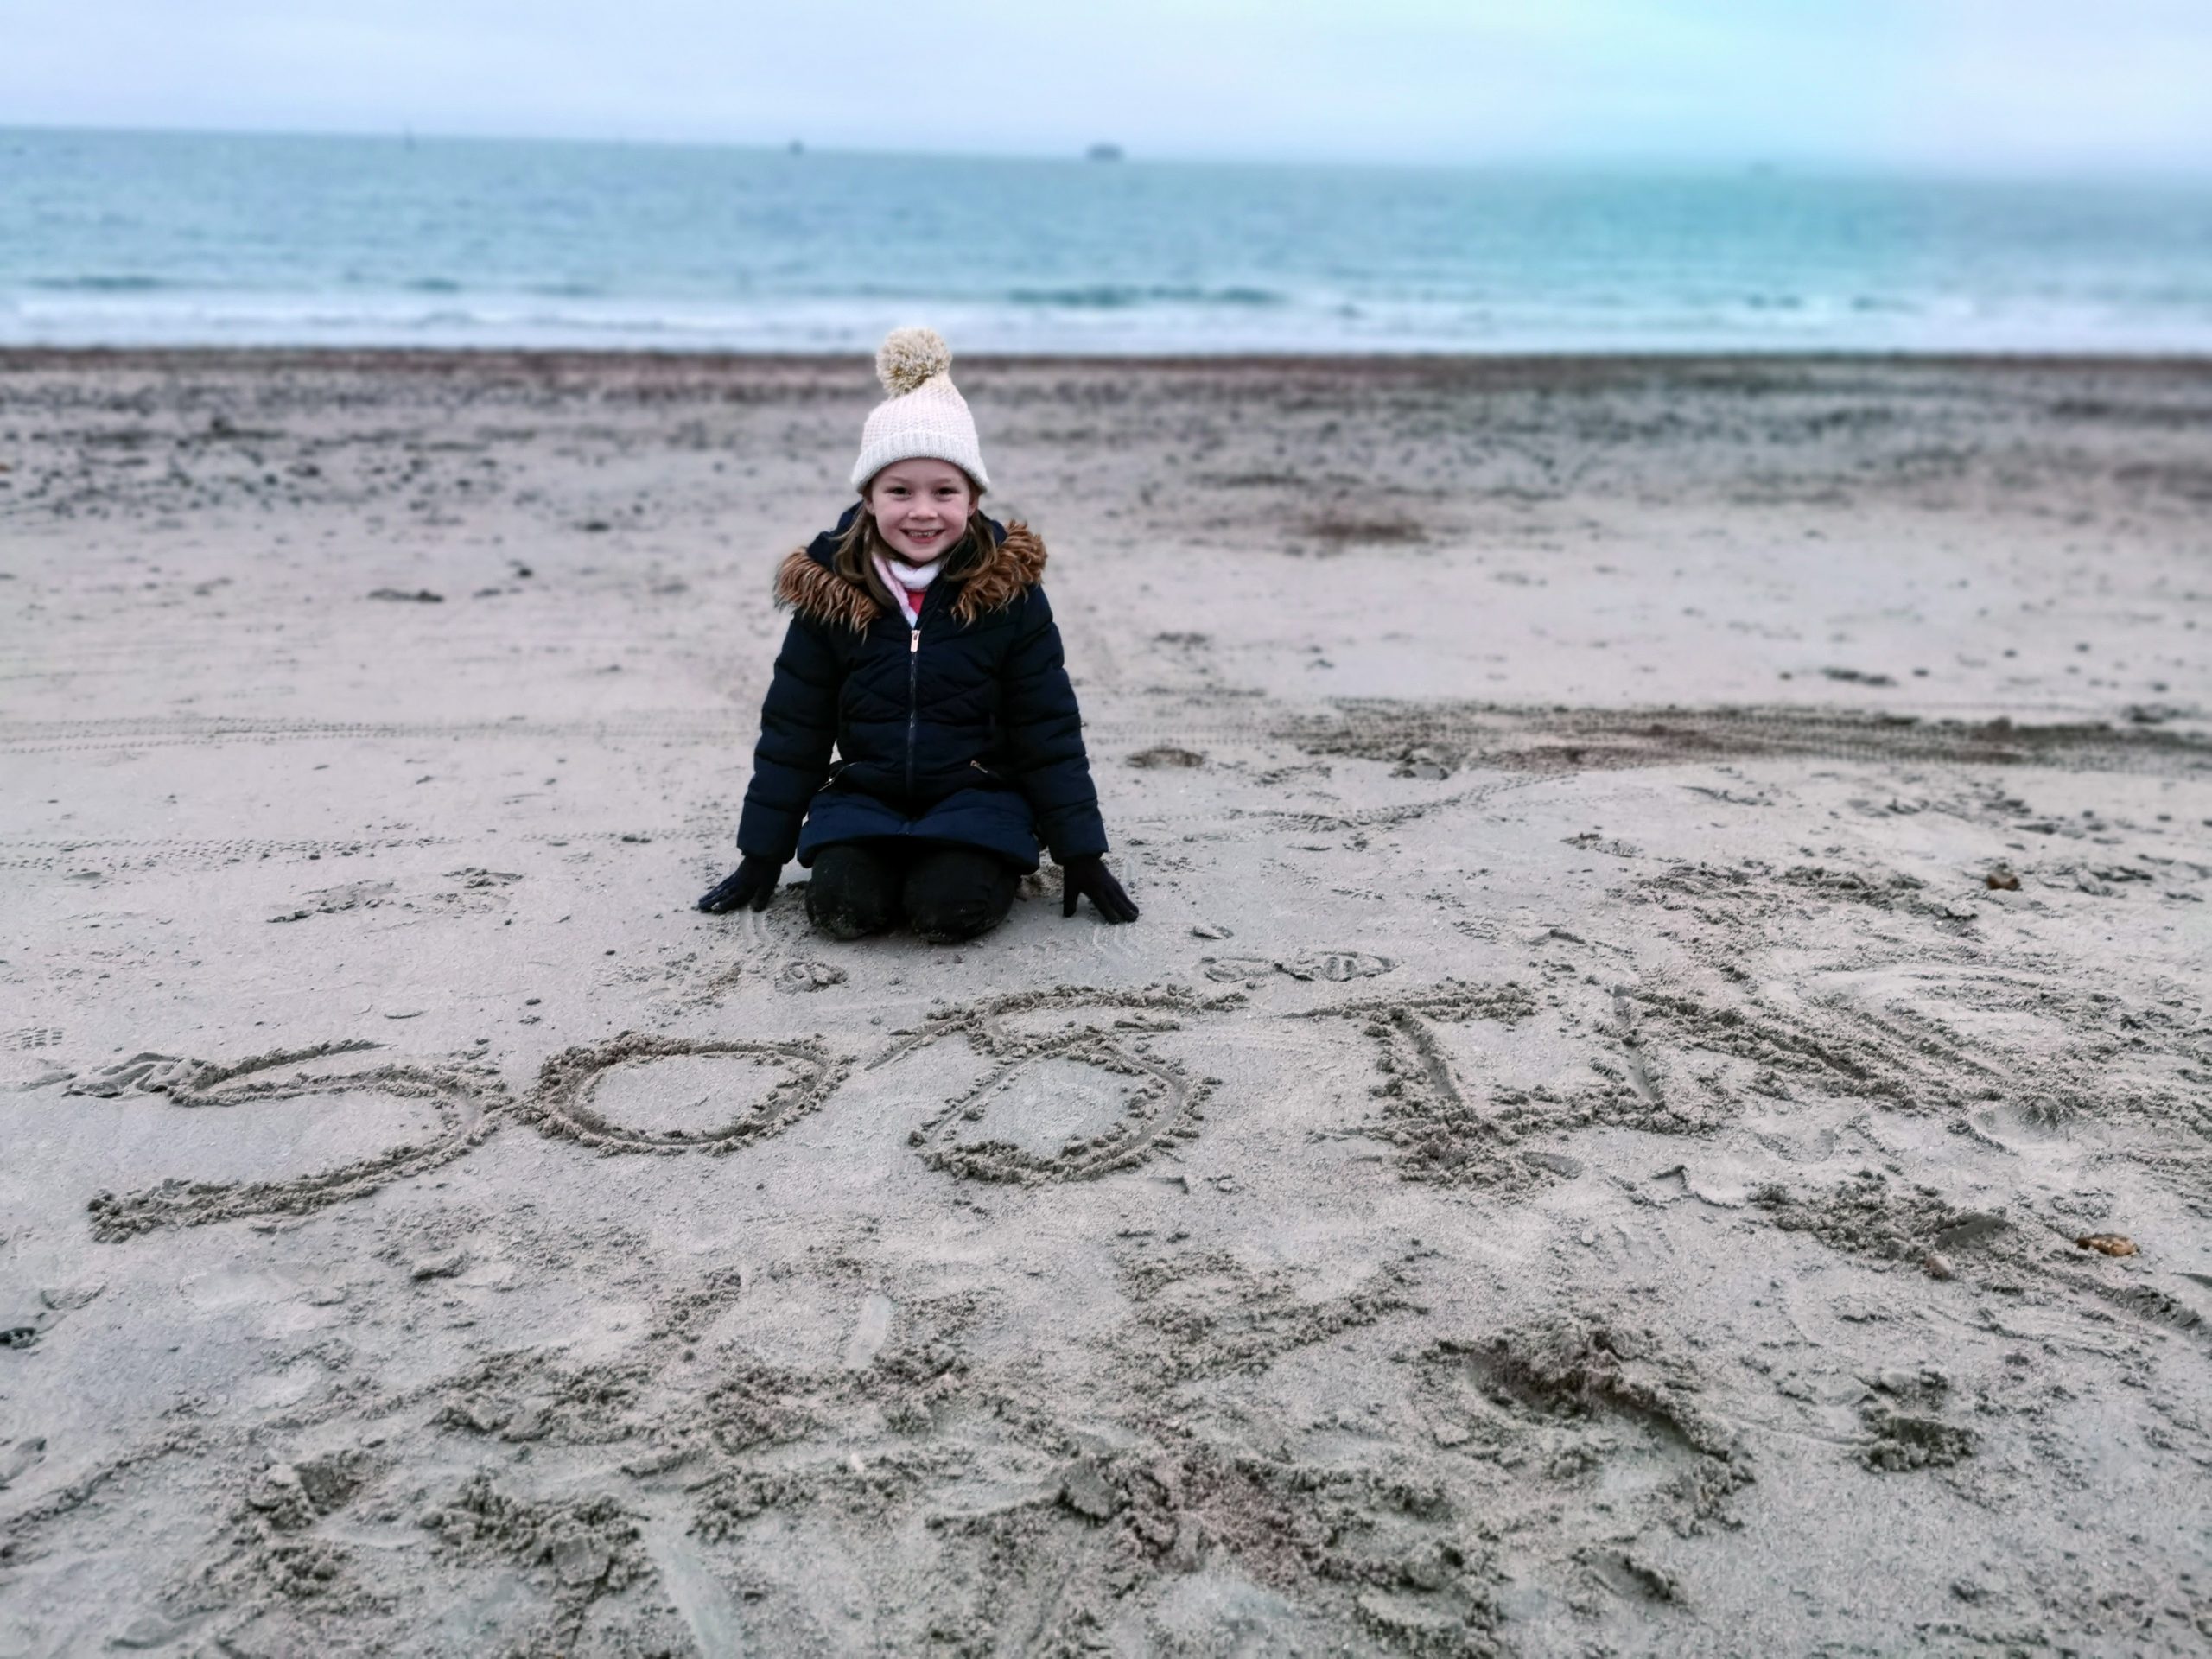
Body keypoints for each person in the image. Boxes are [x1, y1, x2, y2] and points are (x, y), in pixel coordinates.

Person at [696, 327, 1138, 943]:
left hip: (978, 798)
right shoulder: (833, 595)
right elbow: (794, 733)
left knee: (946, 910)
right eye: (899, 491)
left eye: (944, 491)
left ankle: (957, 867)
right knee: (845, 910)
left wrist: (1080, 853)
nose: (923, 511)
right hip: (864, 799)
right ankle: (879, 861)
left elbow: (1048, 729)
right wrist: (760, 856)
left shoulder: (1008, 595)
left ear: (973, 497)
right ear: (870, 499)